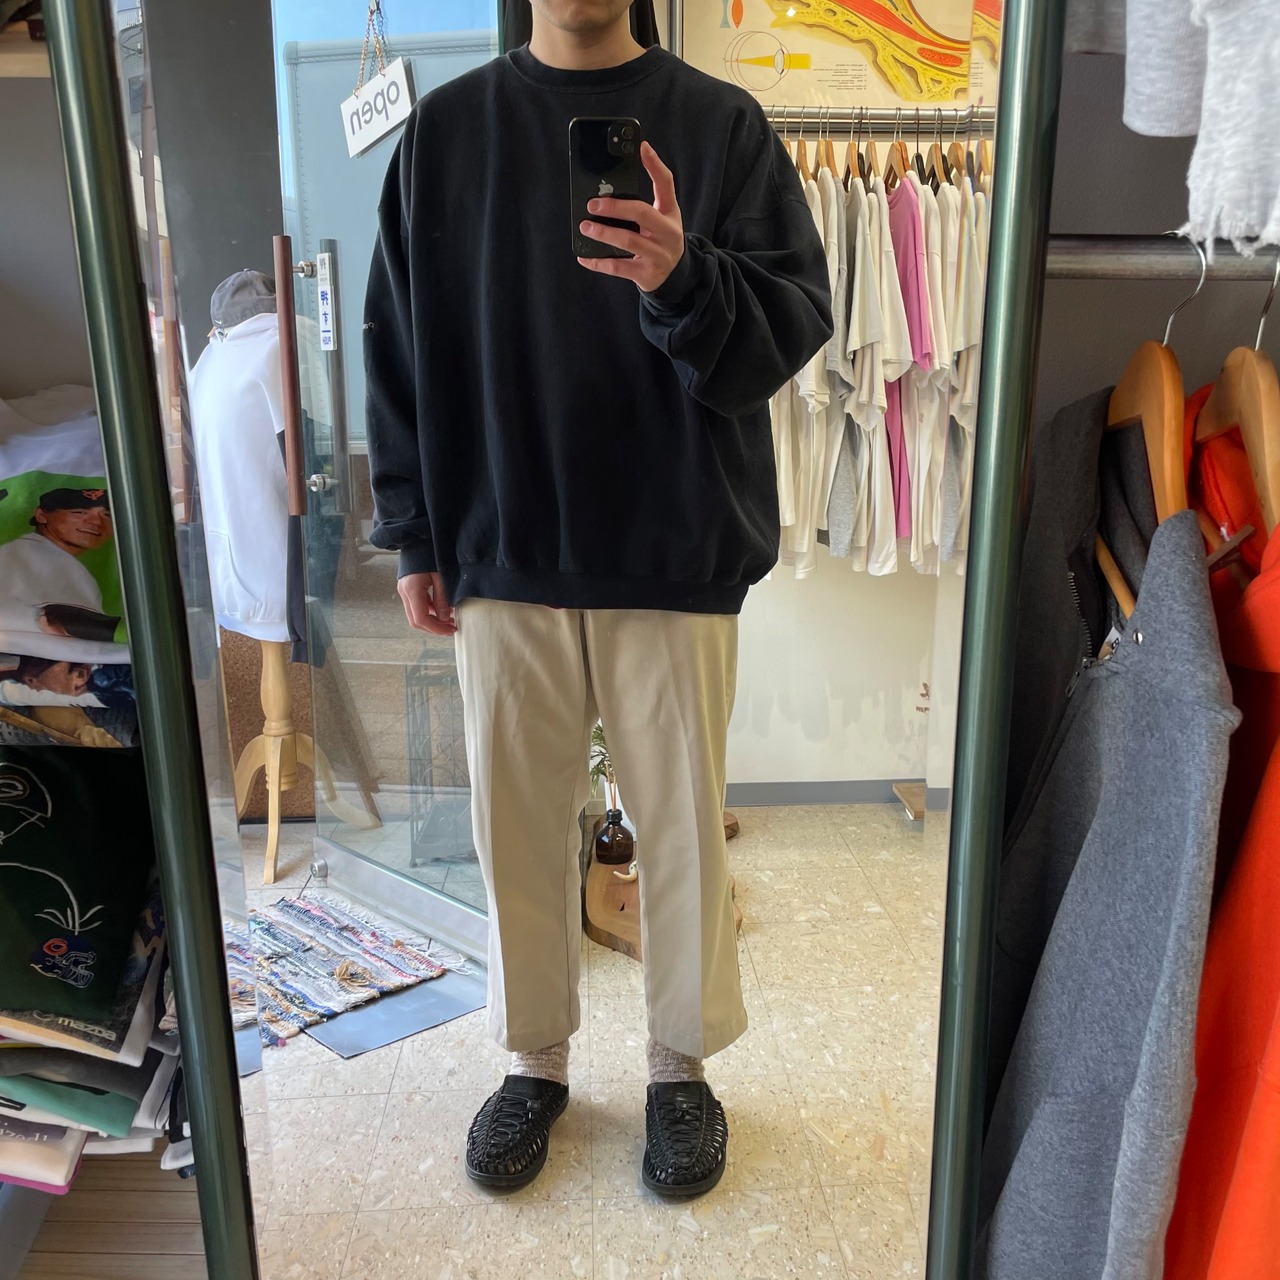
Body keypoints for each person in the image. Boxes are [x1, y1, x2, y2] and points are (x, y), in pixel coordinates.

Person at [364, 0, 831, 1197]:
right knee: (515, 827)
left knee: (680, 828)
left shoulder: (721, 126)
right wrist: (413, 531)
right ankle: (534, 1062)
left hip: (675, 540)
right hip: (502, 542)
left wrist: (683, 277)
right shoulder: (445, 134)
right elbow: (397, 347)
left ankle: (679, 1068)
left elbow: (790, 327)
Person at [0, 489, 123, 654]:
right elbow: (58, 619)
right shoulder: (42, 556)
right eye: (78, 512)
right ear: (41, 515)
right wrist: (135, 632)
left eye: (107, 515)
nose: (96, 522)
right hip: (49, 658)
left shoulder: (22, 551)